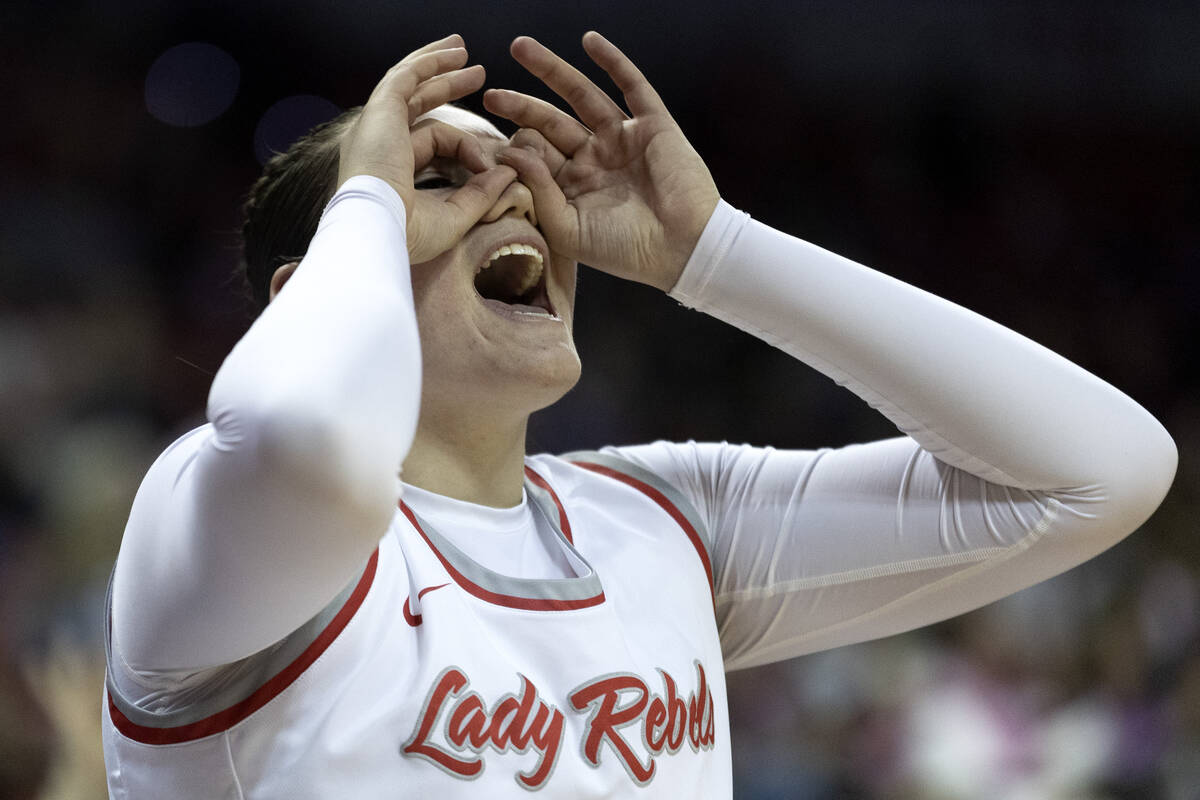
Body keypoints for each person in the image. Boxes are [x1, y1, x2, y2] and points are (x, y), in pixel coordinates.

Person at [100, 32, 1177, 798]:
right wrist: (367, 198)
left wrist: (719, 254)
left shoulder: (662, 518)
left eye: (518, 171)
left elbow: (1103, 469)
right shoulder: (206, 515)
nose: (512, 195)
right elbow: (312, 437)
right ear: (329, 276)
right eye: (440, 178)